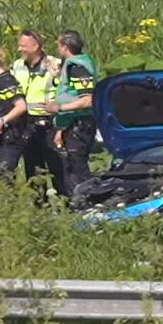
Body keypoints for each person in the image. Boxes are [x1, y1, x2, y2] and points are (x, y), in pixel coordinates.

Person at [45, 30, 98, 198]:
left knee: (77, 170)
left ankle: (88, 203)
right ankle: (76, 205)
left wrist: (59, 108)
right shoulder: (75, 64)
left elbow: (87, 99)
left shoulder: (77, 67)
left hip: (79, 125)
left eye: (59, 45)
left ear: (65, 47)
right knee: (68, 169)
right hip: (71, 124)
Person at [7, 30, 62, 183]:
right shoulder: (17, 65)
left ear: (35, 46)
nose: (19, 49)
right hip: (26, 122)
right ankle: (38, 204)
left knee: (57, 168)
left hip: (49, 122)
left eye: (23, 46)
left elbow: (65, 91)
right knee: (32, 170)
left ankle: (64, 204)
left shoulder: (55, 64)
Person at [0, 48, 29, 174]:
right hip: (2, 138)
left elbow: (21, 106)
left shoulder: (6, 81)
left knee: (4, 175)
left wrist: (1, 121)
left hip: (11, 136)